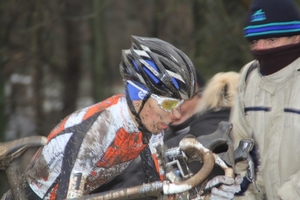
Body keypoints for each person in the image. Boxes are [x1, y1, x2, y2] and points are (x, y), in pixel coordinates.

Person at [1, 35, 198, 200]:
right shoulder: (97, 131)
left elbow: (160, 183)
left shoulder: (150, 124)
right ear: (139, 96)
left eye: (179, 105)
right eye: (169, 104)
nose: (176, 114)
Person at [95, 71, 241, 200]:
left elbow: (145, 180)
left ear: (199, 93)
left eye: (180, 98)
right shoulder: (165, 132)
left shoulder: (198, 136)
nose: (175, 110)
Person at [229, 0, 300, 199]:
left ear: (296, 37)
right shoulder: (249, 76)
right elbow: (242, 153)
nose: (261, 49)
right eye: (254, 42)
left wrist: (285, 195)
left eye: (271, 40)